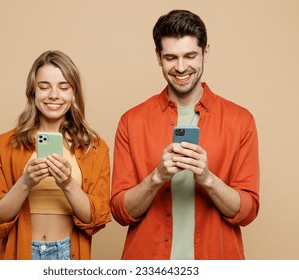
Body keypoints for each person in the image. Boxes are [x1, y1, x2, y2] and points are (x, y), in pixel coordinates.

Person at [110, 10, 260, 260]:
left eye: (190, 56)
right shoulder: (131, 121)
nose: (181, 68)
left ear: (206, 52)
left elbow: (247, 211)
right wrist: (157, 176)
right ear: (158, 57)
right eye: (171, 57)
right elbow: (119, 211)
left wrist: (207, 178)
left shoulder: (241, 120)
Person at [0, 50, 111, 260]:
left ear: (74, 93)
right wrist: (25, 182)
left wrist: (67, 183)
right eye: (44, 87)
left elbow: (95, 219)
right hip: (18, 253)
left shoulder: (93, 147)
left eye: (63, 87)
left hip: (68, 253)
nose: (53, 95)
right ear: (33, 92)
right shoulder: (2, 145)